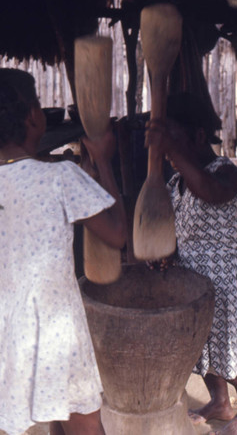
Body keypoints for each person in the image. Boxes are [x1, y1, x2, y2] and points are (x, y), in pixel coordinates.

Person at [145, 92, 237, 435]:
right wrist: (168, 254)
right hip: (196, 285)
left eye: (173, 140)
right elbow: (181, 228)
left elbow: (210, 191)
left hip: (231, 287)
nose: (166, 151)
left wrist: (173, 150)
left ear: (196, 136)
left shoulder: (225, 172)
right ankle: (219, 403)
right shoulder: (176, 181)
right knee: (205, 353)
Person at [0, 68, 127, 435]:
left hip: (7, 325)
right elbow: (118, 234)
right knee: (81, 420)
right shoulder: (58, 178)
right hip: (56, 330)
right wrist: (103, 161)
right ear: (32, 117)